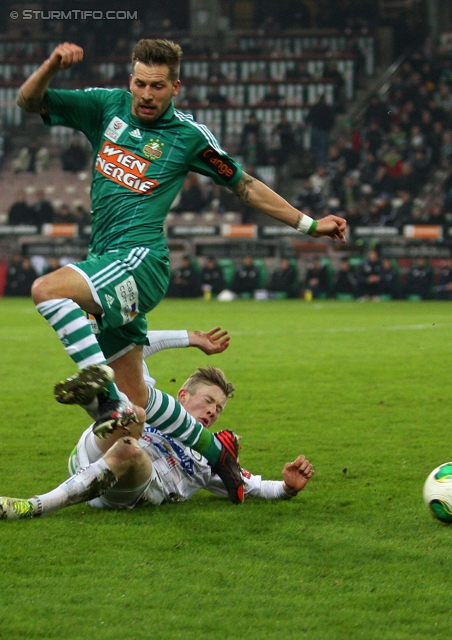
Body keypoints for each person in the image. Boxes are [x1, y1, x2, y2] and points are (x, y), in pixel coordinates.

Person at [17, 39, 345, 484]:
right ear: (129, 81)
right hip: (108, 258)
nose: (147, 94)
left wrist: (309, 224)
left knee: (46, 289)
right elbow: (29, 99)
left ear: (176, 87)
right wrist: (53, 64)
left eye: (157, 86)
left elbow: (244, 185)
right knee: (137, 408)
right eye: (140, 83)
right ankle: (220, 457)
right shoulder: (105, 108)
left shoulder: (189, 136)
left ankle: (98, 384)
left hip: (140, 259)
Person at [0, 364, 314, 520]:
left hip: (127, 486)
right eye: (208, 401)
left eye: (219, 409)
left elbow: (252, 485)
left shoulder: (211, 453)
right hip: (93, 453)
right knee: (134, 413)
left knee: (130, 447)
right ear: (183, 396)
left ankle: (31, 506)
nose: (212, 412)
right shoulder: (162, 409)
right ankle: (93, 400)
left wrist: (287, 487)